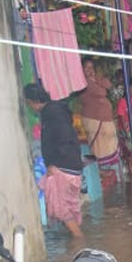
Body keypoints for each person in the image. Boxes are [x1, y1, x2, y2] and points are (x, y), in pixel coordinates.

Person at [24, 83, 83, 237]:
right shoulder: (56, 111)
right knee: (69, 206)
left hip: (63, 166)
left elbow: (63, 138)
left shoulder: (52, 114)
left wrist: (54, 164)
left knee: (62, 208)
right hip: (71, 164)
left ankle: (79, 240)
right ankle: (76, 239)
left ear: (33, 101)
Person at [78, 59, 119, 171]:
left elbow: (108, 84)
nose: (89, 70)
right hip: (94, 120)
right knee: (97, 148)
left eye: (91, 67)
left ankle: (102, 171)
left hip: (104, 120)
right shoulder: (83, 82)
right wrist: (96, 81)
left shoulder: (95, 79)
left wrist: (96, 79)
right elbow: (101, 92)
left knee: (106, 147)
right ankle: (95, 172)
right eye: (86, 67)